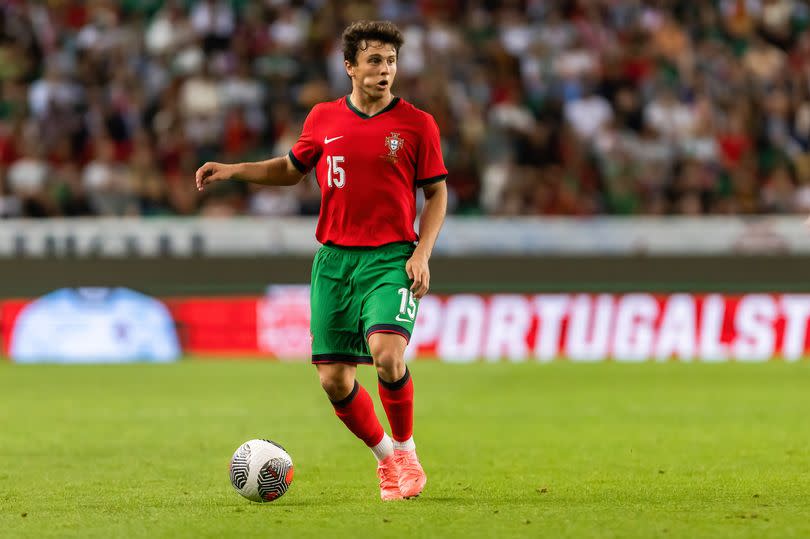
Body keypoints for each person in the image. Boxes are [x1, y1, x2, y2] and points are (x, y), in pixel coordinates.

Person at [195, 20, 448, 501]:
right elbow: (291, 169)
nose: (384, 70)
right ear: (350, 66)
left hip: (391, 256)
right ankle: (387, 461)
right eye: (374, 60)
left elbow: (437, 194)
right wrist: (234, 169)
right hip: (333, 260)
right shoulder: (323, 119)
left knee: (388, 355)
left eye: (391, 61)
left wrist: (422, 252)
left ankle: (408, 452)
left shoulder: (417, 124)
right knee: (334, 380)